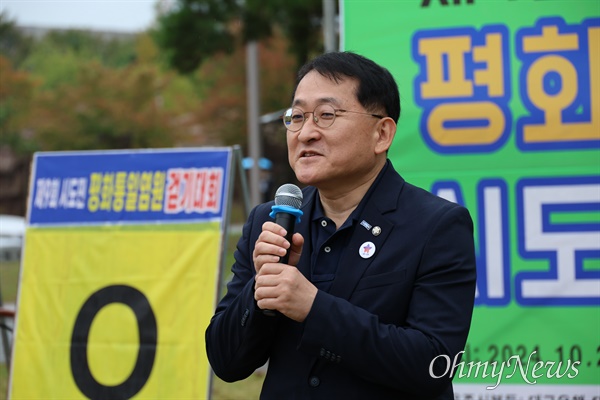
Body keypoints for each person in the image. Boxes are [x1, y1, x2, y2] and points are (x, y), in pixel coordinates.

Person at [205, 51, 477, 399]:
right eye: (297, 116)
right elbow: (226, 363)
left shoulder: (436, 226)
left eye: (326, 115)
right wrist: (260, 289)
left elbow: (433, 364)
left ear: (382, 134)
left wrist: (313, 308)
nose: (305, 133)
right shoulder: (269, 221)